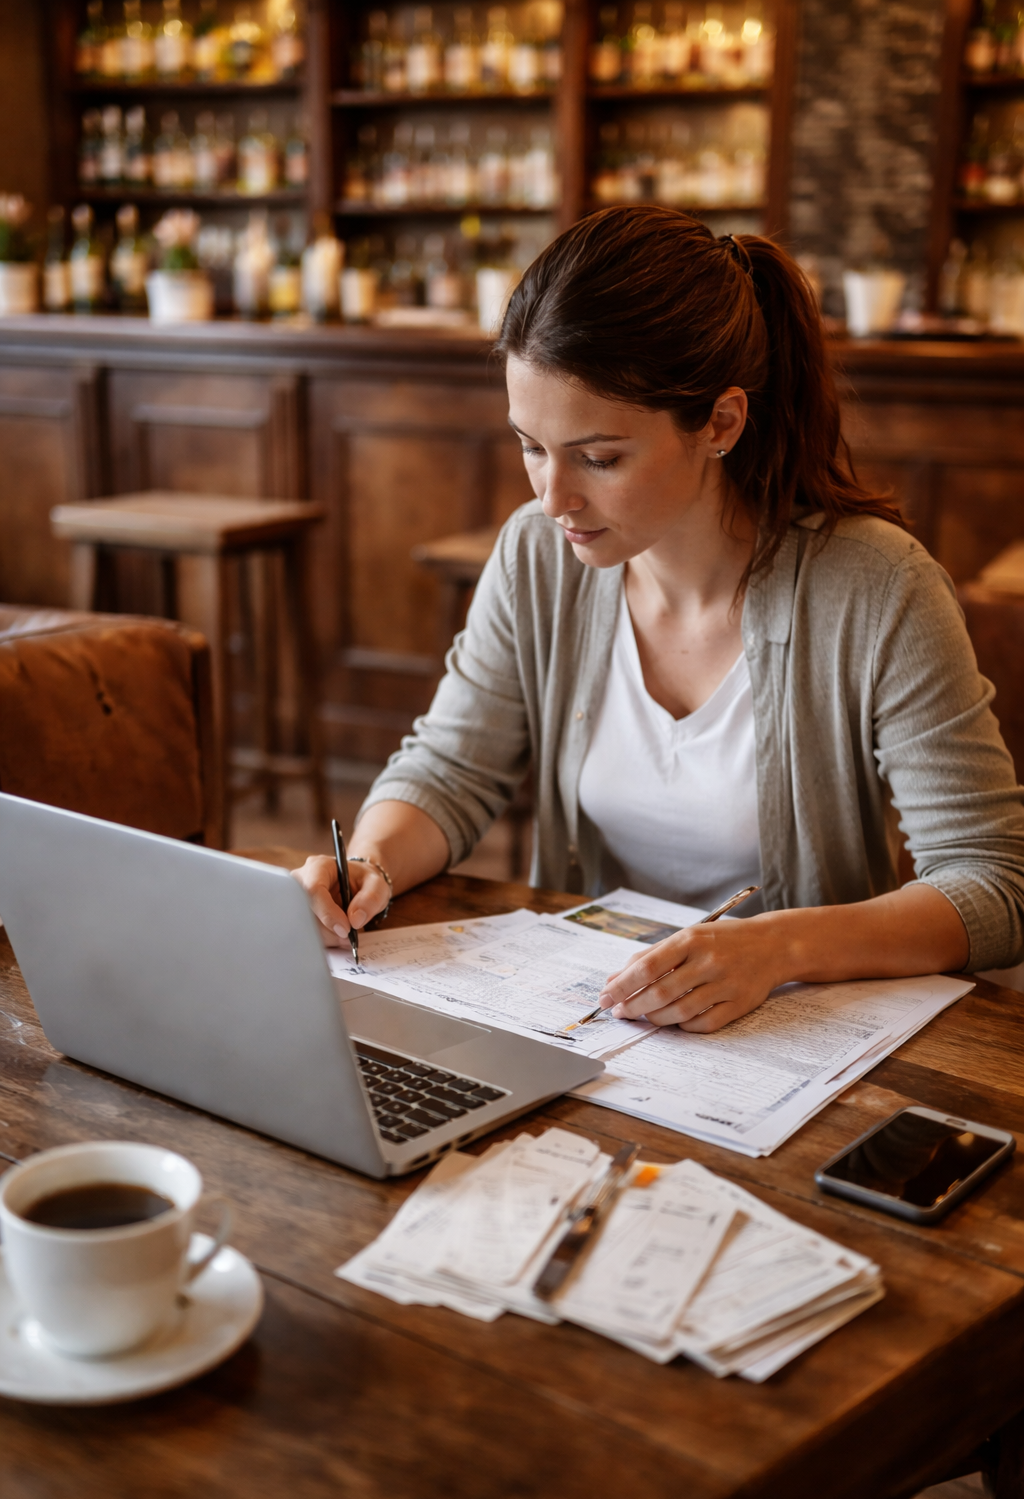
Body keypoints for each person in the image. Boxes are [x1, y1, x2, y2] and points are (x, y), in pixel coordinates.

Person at [293, 207, 1024, 1034]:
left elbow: (994, 881)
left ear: (720, 422)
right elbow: (453, 769)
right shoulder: (537, 558)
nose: (553, 498)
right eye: (531, 445)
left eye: (600, 458)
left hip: (800, 1036)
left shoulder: (877, 588)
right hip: (599, 1026)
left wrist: (777, 949)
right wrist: (370, 864)